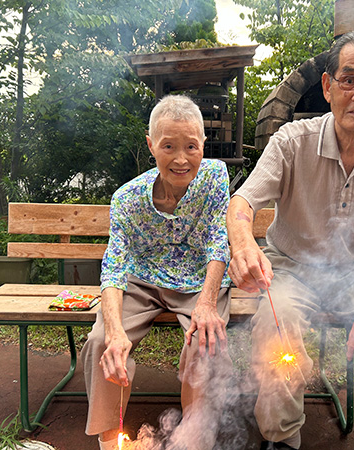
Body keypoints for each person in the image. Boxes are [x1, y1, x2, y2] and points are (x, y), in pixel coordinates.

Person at [227, 29, 354, 450]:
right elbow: (242, 202)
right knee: (276, 318)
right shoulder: (291, 142)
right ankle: (283, 438)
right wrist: (244, 245)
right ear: (328, 86)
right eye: (349, 79)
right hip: (289, 269)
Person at [82, 94, 232, 450]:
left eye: (191, 147)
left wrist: (208, 304)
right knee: (102, 341)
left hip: (199, 281)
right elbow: (115, 266)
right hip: (144, 281)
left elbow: (218, 242)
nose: (181, 159)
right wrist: (116, 331)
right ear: (151, 145)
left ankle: (194, 438)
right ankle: (110, 439)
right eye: (168, 146)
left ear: (203, 144)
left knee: (205, 342)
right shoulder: (127, 199)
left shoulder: (214, 177)